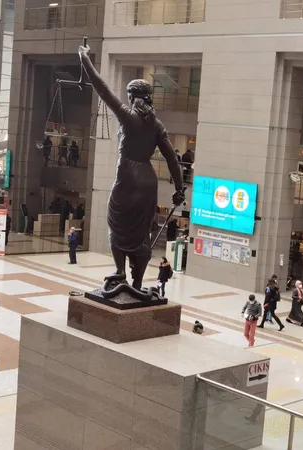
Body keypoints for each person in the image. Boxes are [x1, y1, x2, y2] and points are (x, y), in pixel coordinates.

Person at [78, 43, 184, 293]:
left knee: (116, 222)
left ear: (132, 96)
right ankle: (136, 282)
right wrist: (179, 189)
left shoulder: (127, 115)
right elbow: (172, 159)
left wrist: (84, 58)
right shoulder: (157, 125)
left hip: (127, 178)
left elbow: (101, 88)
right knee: (141, 232)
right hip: (148, 180)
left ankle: (120, 270)